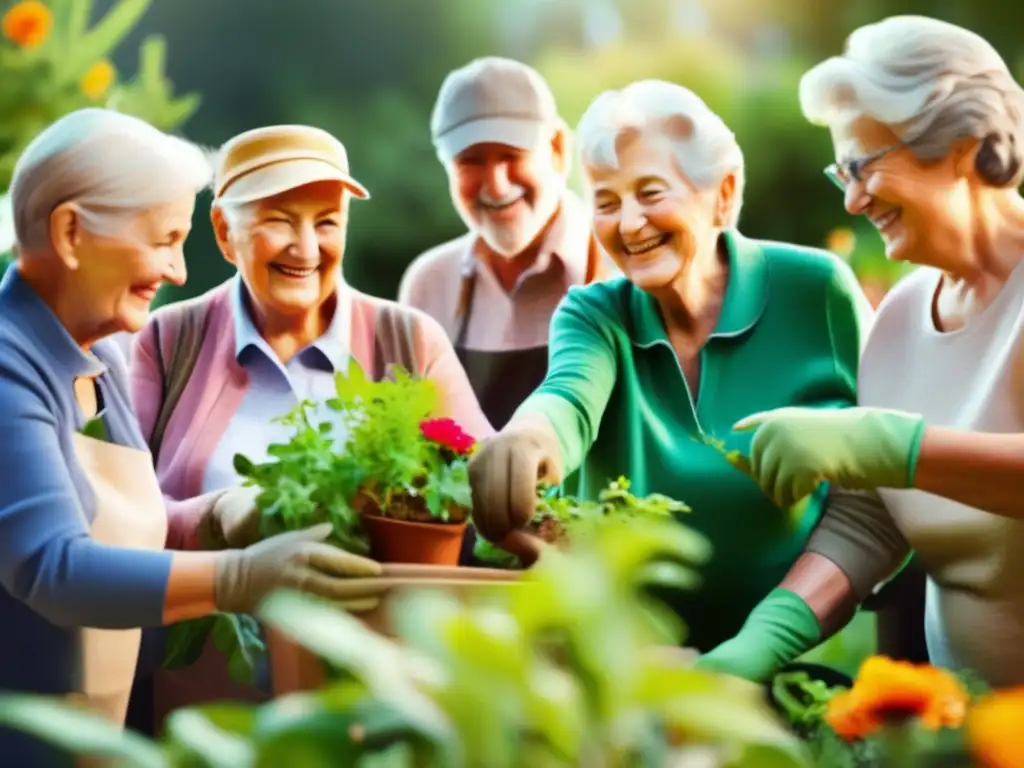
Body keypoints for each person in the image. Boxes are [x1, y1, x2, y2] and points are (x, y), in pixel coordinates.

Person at [466, 81, 907, 667]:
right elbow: (567, 398)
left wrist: (761, 647)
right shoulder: (596, 314)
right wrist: (526, 440)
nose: (628, 223)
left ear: (721, 195)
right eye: (604, 201)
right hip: (623, 665)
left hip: (800, 659)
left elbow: (876, 498)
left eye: (650, 192)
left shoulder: (817, 293)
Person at [0, 109, 382, 765]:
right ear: (70, 233)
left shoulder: (102, 354)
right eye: (163, 240)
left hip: (100, 732)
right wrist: (238, 577)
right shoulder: (9, 365)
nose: (179, 270)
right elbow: (53, 568)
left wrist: (220, 515)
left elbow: (120, 528)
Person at [130, 124, 493, 723]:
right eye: (279, 219)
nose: (306, 247)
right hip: (203, 719)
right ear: (225, 232)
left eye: (326, 221)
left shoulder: (408, 340)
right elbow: (118, 519)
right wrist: (219, 515)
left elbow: (476, 488)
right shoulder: (168, 344)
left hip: (378, 709)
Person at [733, 16, 1024, 688]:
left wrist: (893, 444)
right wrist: (763, 639)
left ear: (961, 144)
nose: (852, 198)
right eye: (842, 170)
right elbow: (871, 522)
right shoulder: (897, 318)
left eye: (864, 166)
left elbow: (892, 452)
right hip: (967, 737)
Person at [398, 57, 609, 432]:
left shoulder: (621, 266)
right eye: (470, 161)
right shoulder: (428, 284)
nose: (495, 185)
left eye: (512, 155)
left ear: (558, 149)